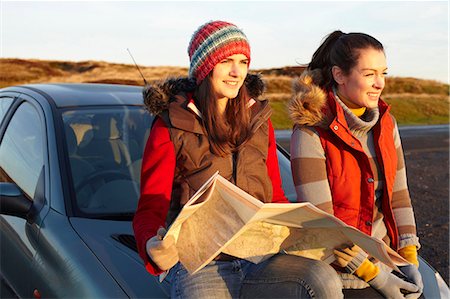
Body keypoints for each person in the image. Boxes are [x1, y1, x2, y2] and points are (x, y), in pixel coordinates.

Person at [133, 20, 343, 298]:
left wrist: (309, 233)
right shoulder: (169, 125)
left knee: (322, 278)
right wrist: (151, 244)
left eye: (243, 62)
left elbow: (275, 196)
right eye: (226, 61)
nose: (237, 71)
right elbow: (151, 206)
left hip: (262, 256)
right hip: (200, 264)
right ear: (205, 66)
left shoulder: (258, 119)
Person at [288, 30, 423, 298]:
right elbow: (323, 225)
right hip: (342, 272)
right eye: (369, 74)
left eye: (383, 73)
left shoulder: (386, 124)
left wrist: (409, 255)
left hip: (388, 260)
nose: (379, 83)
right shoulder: (311, 131)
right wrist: (373, 273)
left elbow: (399, 196)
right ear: (340, 75)